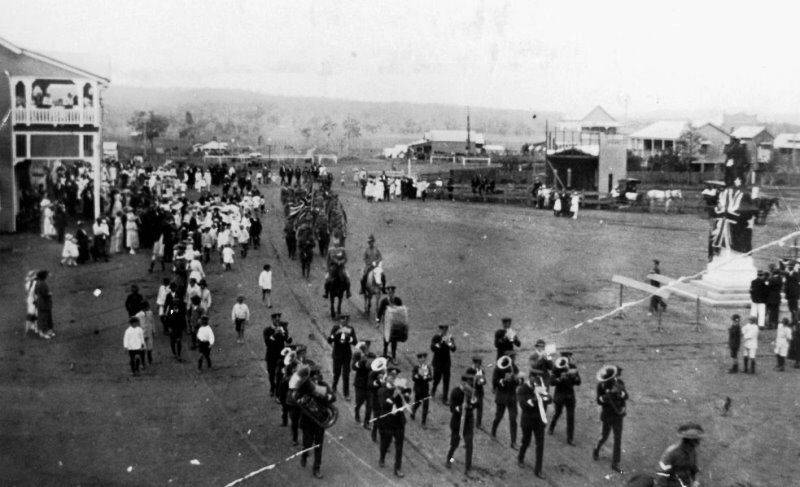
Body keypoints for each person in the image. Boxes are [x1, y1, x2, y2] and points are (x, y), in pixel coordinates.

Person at [297, 365, 336, 479]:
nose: (318, 377)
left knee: (319, 445)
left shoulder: (323, 385)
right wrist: (302, 399)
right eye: (315, 375)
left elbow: (333, 397)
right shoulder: (304, 386)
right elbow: (296, 398)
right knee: (307, 443)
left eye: (318, 374)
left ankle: (317, 468)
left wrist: (327, 396)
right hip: (308, 420)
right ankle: (304, 455)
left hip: (320, 420)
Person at [593, 365, 628, 473]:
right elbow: (599, 401)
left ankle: (615, 463)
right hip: (607, 415)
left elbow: (626, 396)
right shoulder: (601, 385)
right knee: (604, 436)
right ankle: (597, 449)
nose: (613, 379)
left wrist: (621, 394)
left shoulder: (620, 383)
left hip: (618, 415)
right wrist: (607, 396)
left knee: (618, 439)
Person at [517, 368, 551, 479]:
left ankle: (538, 470)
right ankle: (520, 458)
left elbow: (549, 399)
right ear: (530, 377)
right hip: (527, 421)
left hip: (539, 421)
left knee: (540, 445)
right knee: (526, 441)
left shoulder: (540, 387)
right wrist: (539, 398)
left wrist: (545, 396)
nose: (537, 380)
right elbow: (525, 404)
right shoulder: (523, 389)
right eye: (535, 378)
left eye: (538, 378)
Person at [377, 367, 409, 478]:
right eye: (391, 377)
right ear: (387, 378)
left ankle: (397, 468)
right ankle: (382, 457)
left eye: (394, 377)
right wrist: (395, 394)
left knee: (399, 446)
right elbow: (385, 404)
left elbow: (406, 400)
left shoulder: (399, 388)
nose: (393, 379)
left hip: (399, 422)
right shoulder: (382, 390)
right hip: (388, 422)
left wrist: (405, 395)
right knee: (386, 442)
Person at [446, 370, 478, 475]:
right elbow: (452, 408)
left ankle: (468, 467)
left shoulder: (471, 392)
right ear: (462, 382)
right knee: (455, 444)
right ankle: (449, 460)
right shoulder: (455, 392)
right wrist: (461, 407)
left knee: (469, 444)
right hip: (457, 422)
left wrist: (472, 404)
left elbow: (475, 405)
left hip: (468, 422)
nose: (468, 386)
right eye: (467, 384)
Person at [548, 352, 581, 445]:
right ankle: (551, 426)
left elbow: (579, 382)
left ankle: (570, 439)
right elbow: (551, 382)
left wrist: (574, 377)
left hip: (570, 396)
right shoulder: (556, 367)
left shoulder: (573, 367)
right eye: (567, 357)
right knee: (558, 413)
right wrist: (560, 379)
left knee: (571, 417)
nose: (569, 359)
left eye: (569, 357)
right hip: (560, 395)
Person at [491, 352, 519, 448]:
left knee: (513, 419)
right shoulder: (498, 367)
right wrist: (503, 380)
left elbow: (519, 381)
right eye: (512, 357)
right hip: (502, 396)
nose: (513, 359)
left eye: (514, 357)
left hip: (512, 397)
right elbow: (494, 382)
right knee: (499, 416)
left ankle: (513, 442)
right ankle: (493, 431)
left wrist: (516, 379)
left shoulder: (514, 368)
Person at [327, 314, 357, 400]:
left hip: (346, 355)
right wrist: (336, 334)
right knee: (336, 373)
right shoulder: (335, 328)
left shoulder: (351, 329)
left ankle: (346, 393)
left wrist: (349, 338)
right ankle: (334, 386)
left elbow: (355, 341)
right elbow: (329, 340)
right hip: (337, 354)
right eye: (343, 320)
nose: (345, 321)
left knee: (346, 375)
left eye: (346, 320)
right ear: (340, 320)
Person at [264, 313, 291, 396]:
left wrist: (285, 335)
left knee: (281, 374)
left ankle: (278, 391)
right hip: (271, 355)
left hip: (280, 354)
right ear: (272, 320)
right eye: (276, 320)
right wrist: (275, 334)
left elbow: (288, 340)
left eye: (278, 320)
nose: (277, 321)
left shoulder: (283, 328)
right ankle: (272, 388)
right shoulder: (267, 330)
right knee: (271, 374)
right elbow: (268, 343)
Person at [430, 323, 457, 404]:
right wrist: (441, 342)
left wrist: (450, 344)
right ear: (440, 329)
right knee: (436, 379)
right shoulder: (436, 337)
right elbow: (433, 348)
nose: (444, 331)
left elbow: (454, 349)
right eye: (443, 329)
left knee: (446, 380)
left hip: (446, 362)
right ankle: (433, 390)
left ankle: (445, 398)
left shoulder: (449, 338)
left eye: (446, 329)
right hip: (437, 362)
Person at [368, 357, 387, 441]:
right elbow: (370, 385)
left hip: (385, 399)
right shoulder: (372, 375)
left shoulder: (387, 372)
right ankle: (374, 432)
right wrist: (378, 382)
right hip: (376, 399)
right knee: (377, 418)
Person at [411, 352, 432, 426]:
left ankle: (423, 422)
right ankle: (413, 411)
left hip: (425, 389)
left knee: (426, 405)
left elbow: (431, 378)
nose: (423, 360)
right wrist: (419, 375)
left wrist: (427, 377)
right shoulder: (416, 368)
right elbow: (413, 378)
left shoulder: (428, 367)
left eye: (424, 359)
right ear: (418, 360)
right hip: (418, 389)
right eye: (421, 359)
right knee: (418, 403)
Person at [352, 345, 373, 424]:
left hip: (369, 385)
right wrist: (361, 361)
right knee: (359, 402)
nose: (366, 351)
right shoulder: (357, 356)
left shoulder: (371, 355)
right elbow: (354, 367)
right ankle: (357, 412)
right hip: (360, 385)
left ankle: (366, 422)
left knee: (370, 405)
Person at [34, 270, 55, 339]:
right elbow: (45, 294)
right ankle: (44, 332)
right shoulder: (42, 284)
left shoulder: (38, 283)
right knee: (44, 317)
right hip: (44, 303)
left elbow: (36, 292)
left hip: (41, 302)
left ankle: (46, 330)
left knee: (44, 316)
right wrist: (49, 294)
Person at [134, 301, 156, 366]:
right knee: (142, 349)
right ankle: (143, 362)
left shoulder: (150, 313)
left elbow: (152, 322)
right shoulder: (138, 316)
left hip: (149, 332)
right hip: (142, 334)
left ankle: (150, 360)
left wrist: (153, 331)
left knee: (149, 348)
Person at [471, 356, 487, 429]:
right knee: (471, 406)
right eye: (478, 363)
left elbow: (484, 381)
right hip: (472, 391)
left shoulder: (481, 371)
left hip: (479, 391)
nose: (479, 365)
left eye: (480, 364)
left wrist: (482, 381)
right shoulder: (470, 370)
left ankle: (478, 424)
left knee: (480, 408)